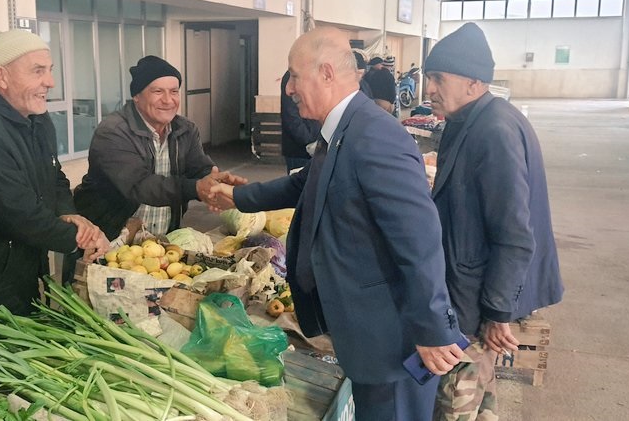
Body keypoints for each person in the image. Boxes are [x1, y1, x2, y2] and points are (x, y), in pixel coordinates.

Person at [209, 27, 465, 421]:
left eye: (295, 75)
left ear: (326, 73)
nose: (289, 88)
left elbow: (420, 239)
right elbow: (304, 182)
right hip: (366, 335)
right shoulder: (343, 130)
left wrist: (431, 329)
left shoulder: (374, 136)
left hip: (391, 341)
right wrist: (237, 197)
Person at [0, 30, 109, 350]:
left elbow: (54, 179)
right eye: (38, 71)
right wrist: (85, 239)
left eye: (50, 70)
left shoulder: (36, 118)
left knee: (22, 375)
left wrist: (70, 214)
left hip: (19, 275)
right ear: (2, 76)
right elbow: (19, 215)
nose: (50, 82)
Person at [421, 22, 564, 420]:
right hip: (473, 289)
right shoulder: (470, 120)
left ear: (473, 82)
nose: (429, 88)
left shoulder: (493, 130)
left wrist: (498, 311)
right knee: (479, 396)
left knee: (454, 402)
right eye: (428, 77)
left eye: (438, 78)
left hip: (473, 299)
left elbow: (515, 235)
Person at [73, 55, 246, 244]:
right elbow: (140, 185)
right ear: (137, 96)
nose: (168, 100)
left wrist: (217, 184)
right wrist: (196, 188)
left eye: (174, 91)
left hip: (160, 240)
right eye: (157, 91)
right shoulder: (113, 131)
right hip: (107, 236)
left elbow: (198, 167)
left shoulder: (185, 129)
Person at [280, 69, 321, 173]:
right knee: (298, 186)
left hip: (316, 146)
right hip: (299, 150)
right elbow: (291, 115)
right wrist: (308, 140)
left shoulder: (316, 72)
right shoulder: (292, 76)